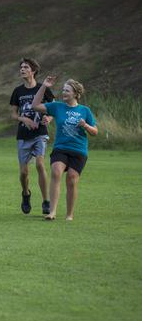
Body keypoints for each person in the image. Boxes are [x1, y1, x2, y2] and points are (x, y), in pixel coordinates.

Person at [32, 76, 97, 221]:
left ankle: (69, 215)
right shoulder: (57, 107)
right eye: (63, 90)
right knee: (56, 172)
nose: (64, 92)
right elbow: (35, 105)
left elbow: (95, 132)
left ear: (75, 93)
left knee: (72, 180)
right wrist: (44, 86)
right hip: (61, 148)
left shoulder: (85, 111)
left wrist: (85, 125)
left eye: (67, 90)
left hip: (79, 150)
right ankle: (52, 212)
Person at [10, 58, 54, 214]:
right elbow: (14, 115)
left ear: (33, 71)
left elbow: (54, 109)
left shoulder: (44, 89)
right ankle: (26, 193)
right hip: (23, 135)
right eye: (21, 67)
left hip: (40, 134)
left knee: (40, 165)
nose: (22, 69)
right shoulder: (18, 91)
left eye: (25, 67)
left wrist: (48, 118)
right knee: (23, 173)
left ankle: (46, 201)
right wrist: (25, 119)